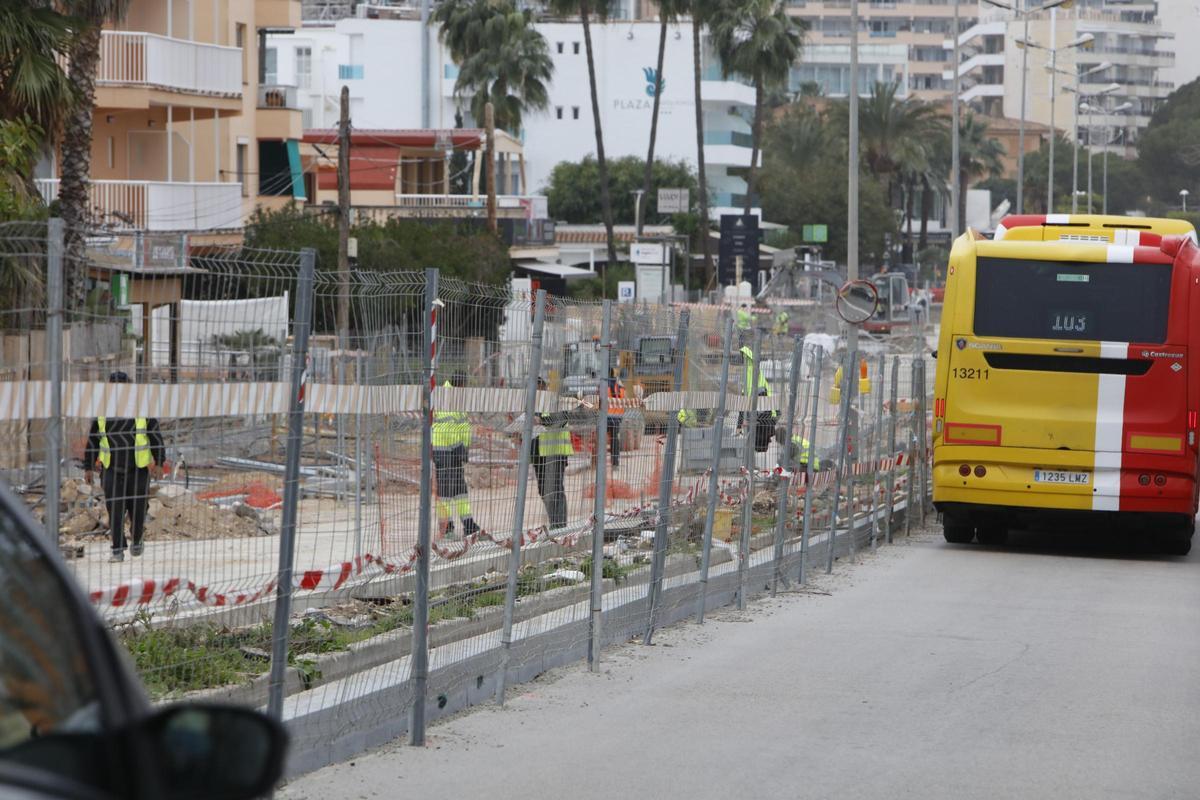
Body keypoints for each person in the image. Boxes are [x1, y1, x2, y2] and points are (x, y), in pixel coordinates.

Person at [83, 371, 165, 561]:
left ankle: (137, 538)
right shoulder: (103, 413)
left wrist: (159, 462)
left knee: (138, 508)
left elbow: (155, 437)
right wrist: (88, 466)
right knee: (115, 509)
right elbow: (93, 441)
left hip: (138, 470)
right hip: (111, 468)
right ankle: (117, 549)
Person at [432, 377, 479, 540]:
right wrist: (460, 448)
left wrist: (463, 448)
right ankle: (447, 528)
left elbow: (460, 426)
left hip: (454, 452)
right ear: (459, 385)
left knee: (459, 491)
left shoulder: (454, 398)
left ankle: (468, 524)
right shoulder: (447, 398)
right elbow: (447, 428)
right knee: (445, 493)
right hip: (445, 452)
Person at [531, 378, 573, 530]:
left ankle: (560, 526)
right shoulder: (532, 405)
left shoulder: (555, 401)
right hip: (538, 454)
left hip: (555, 452)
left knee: (555, 489)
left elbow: (562, 419)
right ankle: (555, 523)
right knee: (543, 490)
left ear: (543, 386)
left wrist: (541, 420)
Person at [606, 372, 625, 469]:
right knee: (614, 441)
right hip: (617, 417)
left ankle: (598, 462)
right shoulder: (620, 388)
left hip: (605, 417)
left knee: (600, 440)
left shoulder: (604, 386)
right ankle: (615, 463)